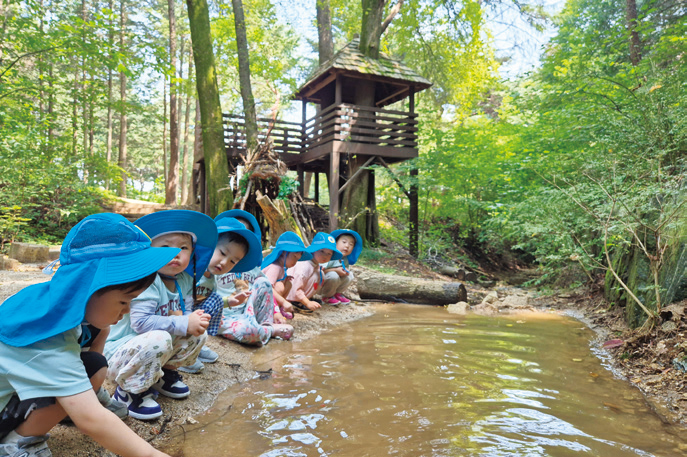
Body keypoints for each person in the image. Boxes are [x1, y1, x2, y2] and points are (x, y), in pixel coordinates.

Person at [0, 212, 178, 457]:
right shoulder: (47, 339)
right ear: (88, 288)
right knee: (84, 397)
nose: (127, 312)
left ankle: (71, 405)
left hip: (13, 393)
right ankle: (17, 444)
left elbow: (95, 341)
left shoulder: (48, 305)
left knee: (93, 365)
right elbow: (92, 421)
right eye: (125, 302)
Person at [104, 210, 217, 420]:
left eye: (183, 248)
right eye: (165, 247)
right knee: (162, 336)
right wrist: (181, 321)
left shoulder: (184, 279)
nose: (175, 253)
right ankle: (129, 391)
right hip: (121, 353)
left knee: (198, 333)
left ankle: (163, 375)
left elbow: (187, 313)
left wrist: (193, 319)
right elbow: (140, 322)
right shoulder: (147, 280)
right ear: (148, 251)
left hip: (148, 349)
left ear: (192, 253)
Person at [197, 216, 293, 346]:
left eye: (233, 261)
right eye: (223, 253)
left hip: (246, 309)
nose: (225, 262)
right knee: (247, 330)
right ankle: (267, 331)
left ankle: (264, 325)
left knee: (263, 283)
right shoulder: (208, 270)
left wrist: (276, 311)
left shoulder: (242, 269)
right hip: (224, 316)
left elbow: (267, 289)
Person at [261, 231, 312, 321]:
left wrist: (284, 279)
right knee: (279, 287)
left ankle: (279, 308)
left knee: (288, 283)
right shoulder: (275, 267)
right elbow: (267, 287)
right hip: (261, 298)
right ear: (284, 253)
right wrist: (284, 301)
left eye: (297, 259)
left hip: (266, 297)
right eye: (294, 257)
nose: (295, 262)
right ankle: (272, 310)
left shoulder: (281, 267)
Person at [286, 232, 342, 312]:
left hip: (301, 290)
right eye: (322, 251)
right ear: (314, 250)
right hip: (290, 293)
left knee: (321, 274)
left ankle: (306, 298)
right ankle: (296, 301)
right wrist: (307, 303)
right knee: (316, 276)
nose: (325, 256)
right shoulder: (304, 266)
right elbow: (295, 287)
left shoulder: (315, 265)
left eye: (329, 253)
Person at [319, 229, 362, 305]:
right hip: (320, 285)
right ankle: (326, 296)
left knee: (350, 275)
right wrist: (336, 270)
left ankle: (337, 293)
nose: (347, 246)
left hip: (333, 284)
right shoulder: (329, 256)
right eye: (344, 242)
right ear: (335, 243)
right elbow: (318, 271)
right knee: (333, 275)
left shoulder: (344, 259)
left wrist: (344, 271)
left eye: (351, 244)